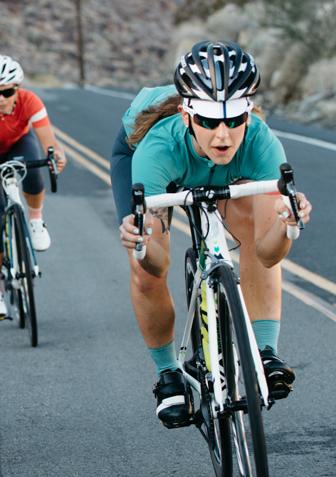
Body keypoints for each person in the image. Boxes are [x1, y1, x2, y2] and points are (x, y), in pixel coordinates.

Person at [112, 41, 312, 427]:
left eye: (234, 120)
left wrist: (287, 226)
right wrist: (140, 244)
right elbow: (159, 261)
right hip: (148, 155)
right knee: (143, 268)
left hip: (229, 172)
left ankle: (265, 352)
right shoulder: (156, 148)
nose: (222, 135)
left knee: (259, 228)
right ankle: (168, 374)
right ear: (187, 116)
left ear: (249, 114)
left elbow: (269, 254)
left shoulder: (261, 142)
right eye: (208, 121)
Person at [0, 55, 67, 320]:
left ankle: (35, 220)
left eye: (7, 92)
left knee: (34, 168)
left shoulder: (30, 101)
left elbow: (49, 143)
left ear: (17, 89)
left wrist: (55, 156)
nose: (1, 99)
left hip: (20, 145)